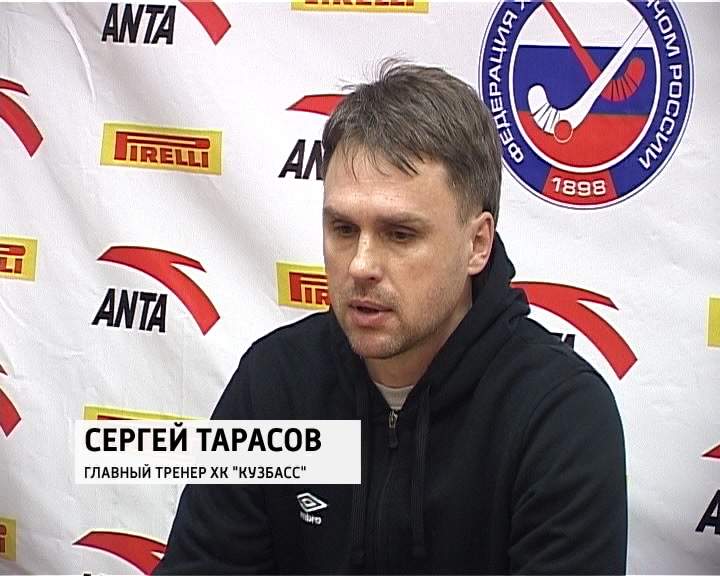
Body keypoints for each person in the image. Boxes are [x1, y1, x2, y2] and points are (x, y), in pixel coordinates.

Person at [154, 60, 627, 574]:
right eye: (343, 229)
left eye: (400, 234)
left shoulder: (558, 414)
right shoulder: (275, 382)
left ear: (477, 244)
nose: (361, 265)